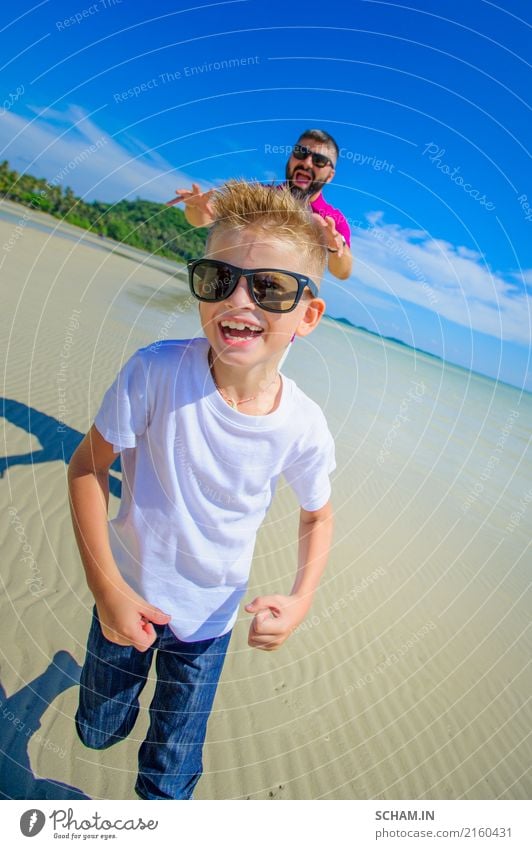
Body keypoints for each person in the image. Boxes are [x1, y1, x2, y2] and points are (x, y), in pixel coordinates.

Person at [69, 180, 335, 800]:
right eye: (219, 278)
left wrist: (300, 600)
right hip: (126, 595)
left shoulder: (303, 426)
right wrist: (106, 590)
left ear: (308, 316)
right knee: (97, 731)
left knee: (170, 779)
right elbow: (85, 467)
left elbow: (317, 516)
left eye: (269, 287)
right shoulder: (156, 371)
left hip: (211, 621)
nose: (239, 300)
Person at [167, 129, 353, 280]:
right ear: (291, 158)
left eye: (319, 161)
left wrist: (335, 246)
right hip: (231, 289)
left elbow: (343, 271)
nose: (306, 163)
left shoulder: (332, 220)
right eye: (300, 153)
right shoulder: (261, 196)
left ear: (330, 176)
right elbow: (203, 219)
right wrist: (195, 207)